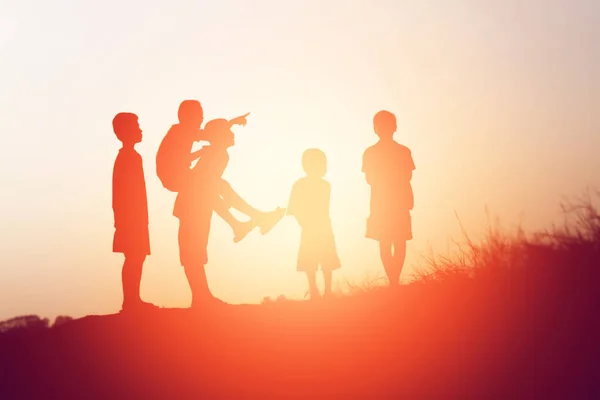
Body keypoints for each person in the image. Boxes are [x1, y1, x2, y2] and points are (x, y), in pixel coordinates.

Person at [174, 118, 285, 308]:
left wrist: (225, 209)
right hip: (193, 205)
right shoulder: (217, 153)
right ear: (219, 136)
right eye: (228, 131)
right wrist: (225, 208)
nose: (232, 134)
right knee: (193, 252)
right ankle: (201, 298)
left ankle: (202, 297)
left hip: (198, 205)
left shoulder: (218, 152)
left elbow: (211, 184)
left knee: (195, 252)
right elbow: (205, 184)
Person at [157, 100, 280, 241]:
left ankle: (240, 224)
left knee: (215, 186)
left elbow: (210, 133)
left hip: (180, 175)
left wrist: (231, 123)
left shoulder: (187, 132)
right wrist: (201, 152)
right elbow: (184, 155)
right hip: (173, 177)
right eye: (199, 118)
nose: (201, 122)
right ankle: (253, 219)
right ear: (188, 116)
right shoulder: (179, 131)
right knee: (216, 185)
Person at [362, 110, 415, 288]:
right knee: (393, 241)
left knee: (390, 241)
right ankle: (394, 281)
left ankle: (394, 281)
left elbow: (369, 179)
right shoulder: (401, 151)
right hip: (387, 203)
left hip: (386, 203)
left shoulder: (372, 152)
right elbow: (407, 176)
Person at [111, 112, 154, 312]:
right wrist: (124, 219)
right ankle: (130, 302)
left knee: (137, 257)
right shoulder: (127, 157)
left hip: (134, 217)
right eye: (137, 126)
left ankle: (132, 300)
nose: (141, 130)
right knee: (134, 257)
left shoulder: (131, 156)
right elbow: (121, 191)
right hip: (131, 218)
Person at [287, 149, 340, 299]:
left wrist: (303, 222)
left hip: (318, 226)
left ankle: (322, 291)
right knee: (314, 258)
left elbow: (294, 208)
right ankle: (317, 290)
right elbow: (294, 208)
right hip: (315, 226)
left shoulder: (319, 185)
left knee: (322, 258)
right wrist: (303, 222)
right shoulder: (322, 185)